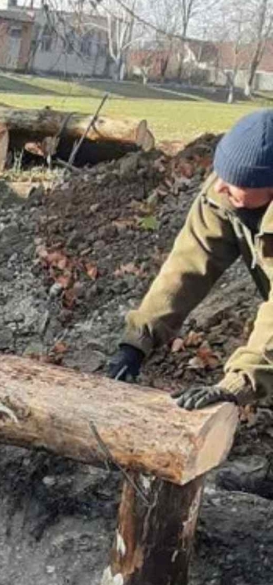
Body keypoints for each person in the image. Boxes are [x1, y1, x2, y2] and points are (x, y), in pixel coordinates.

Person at [108, 109, 273, 411]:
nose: (221, 186)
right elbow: (188, 264)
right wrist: (137, 341)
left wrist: (239, 383)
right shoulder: (225, 190)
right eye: (222, 173)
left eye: (237, 181)